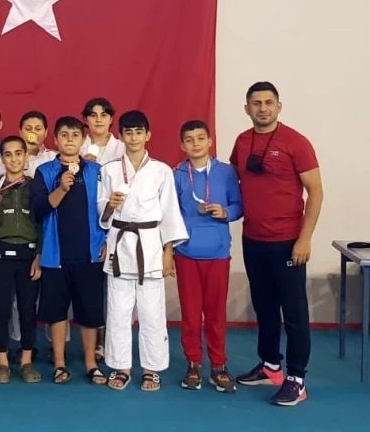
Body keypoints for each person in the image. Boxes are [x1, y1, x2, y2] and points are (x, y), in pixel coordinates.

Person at [230, 82, 323, 407]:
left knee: (294, 311)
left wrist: (305, 238)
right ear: (247, 108)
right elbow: (232, 178)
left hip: (288, 242)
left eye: (269, 102)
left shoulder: (296, 142)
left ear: (279, 106)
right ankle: (270, 365)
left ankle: (296, 378)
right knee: (264, 306)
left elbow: (316, 192)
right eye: (256, 103)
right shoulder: (242, 141)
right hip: (253, 240)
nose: (263, 108)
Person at [100, 110, 188, 392]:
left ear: (148, 135)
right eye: (128, 132)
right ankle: (121, 367)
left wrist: (168, 251)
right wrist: (110, 205)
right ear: (121, 136)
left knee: (152, 312)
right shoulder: (109, 169)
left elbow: (170, 213)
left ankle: (151, 369)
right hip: (120, 243)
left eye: (139, 132)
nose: (134, 137)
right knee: (117, 312)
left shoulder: (162, 171)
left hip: (150, 245)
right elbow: (100, 211)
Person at [32, 116, 107, 386]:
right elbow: (39, 209)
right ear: (56, 140)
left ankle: (90, 364)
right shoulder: (45, 171)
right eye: (64, 135)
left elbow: (106, 209)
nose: (70, 139)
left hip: (89, 253)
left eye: (75, 135)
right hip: (56, 254)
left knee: (89, 313)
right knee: (57, 312)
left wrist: (106, 240)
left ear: (83, 139)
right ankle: (59, 363)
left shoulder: (96, 171)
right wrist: (62, 187)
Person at [173, 120, 243, 392]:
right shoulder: (177, 174)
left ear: (210, 141)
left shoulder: (226, 172)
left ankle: (218, 365)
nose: (196, 144)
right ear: (182, 145)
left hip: (218, 253)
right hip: (187, 253)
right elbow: (170, 213)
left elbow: (239, 205)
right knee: (191, 314)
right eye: (189, 140)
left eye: (201, 138)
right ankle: (193, 362)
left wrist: (226, 212)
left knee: (215, 314)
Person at [0, 110, 59, 352]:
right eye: (28, 129)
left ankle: (40, 347)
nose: (33, 133)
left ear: (46, 132)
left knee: (34, 301)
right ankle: (6, 347)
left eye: (38, 128)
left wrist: (40, 252)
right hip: (5, 244)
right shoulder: (1, 165)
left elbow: (47, 207)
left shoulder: (52, 161)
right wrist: (24, 152)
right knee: (4, 303)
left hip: (38, 238)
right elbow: (5, 178)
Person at [0, 136, 42, 384]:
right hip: (0, 255)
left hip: (29, 255)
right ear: (2, 159)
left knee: (28, 309)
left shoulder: (36, 187)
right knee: (0, 308)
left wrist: (39, 255)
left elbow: (44, 223)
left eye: (18, 153)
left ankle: (26, 360)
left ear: (26, 157)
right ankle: (2, 362)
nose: (14, 159)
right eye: (8, 154)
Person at [80, 97, 126, 360]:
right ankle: (94, 341)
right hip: (86, 224)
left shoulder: (122, 149)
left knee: (115, 290)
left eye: (104, 114)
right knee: (93, 288)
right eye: (93, 114)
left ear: (111, 119)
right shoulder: (77, 146)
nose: (98, 119)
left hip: (118, 225)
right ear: (86, 120)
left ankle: (110, 341)